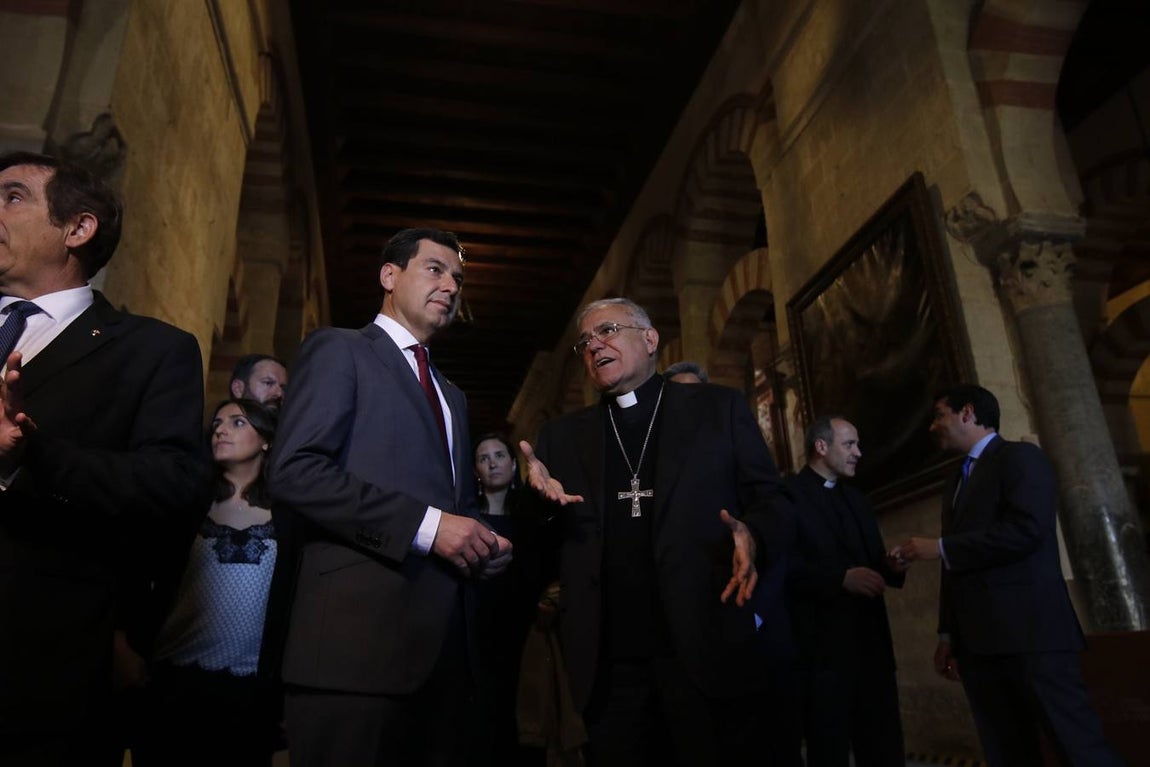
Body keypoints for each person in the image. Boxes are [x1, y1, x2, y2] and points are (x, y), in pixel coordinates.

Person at [266, 227, 512, 767]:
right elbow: (295, 472)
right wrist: (429, 528)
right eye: (435, 269)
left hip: (443, 656)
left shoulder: (453, 395)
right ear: (389, 275)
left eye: (459, 278)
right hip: (354, 651)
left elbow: (454, 505)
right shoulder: (341, 349)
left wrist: (483, 541)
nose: (451, 285)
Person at [519, 297, 793, 766]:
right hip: (608, 665)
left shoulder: (717, 408)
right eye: (585, 341)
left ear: (650, 340)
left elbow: (774, 501)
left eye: (607, 330)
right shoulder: (562, 438)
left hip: (704, 647)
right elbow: (542, 548)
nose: (594, 346)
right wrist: (540, 505)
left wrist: (754, 533)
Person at [0, 151, 209, 763]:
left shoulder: (152, 351)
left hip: (37, 667)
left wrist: (27, 456)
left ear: (78, 228)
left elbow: (172, 484)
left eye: (12, 196)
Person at [896, 385, 1121, 767]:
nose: (933, 426)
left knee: (1076, 746)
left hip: (1032, 634)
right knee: (1006, 751)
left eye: (939, 415)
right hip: (978, 643)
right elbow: (957, 566)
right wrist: (948, 633)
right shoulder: (955, 481)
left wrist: (941, 548)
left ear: (967, 412)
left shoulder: (1020, 458)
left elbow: (1027, 531)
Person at [134, 398, 281, 767]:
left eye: (237, 422)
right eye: (216, 423)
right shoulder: (187, 502)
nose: (220, 428)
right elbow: (140, 571)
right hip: (174, 678)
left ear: (265, 439)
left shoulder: (290, 514)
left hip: (250, 687)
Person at [785, 416, 906, 767]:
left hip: (872, 649)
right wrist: (838, 579)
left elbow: (872, 563)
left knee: (883, 747)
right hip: (821, 654)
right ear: (821, 447)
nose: (859, 453)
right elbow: (782, 568)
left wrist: (892, 567)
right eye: (850, 444)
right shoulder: (788, 497)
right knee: (829, 749)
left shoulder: (857, 499)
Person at [473, 433, 546, 766]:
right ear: (476, 469)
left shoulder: (531, 517)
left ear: (513, 464)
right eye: (484, 457)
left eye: (499, 455)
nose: (492, 463)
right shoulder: (466, 519)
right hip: (477, 630)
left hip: (524, 630)